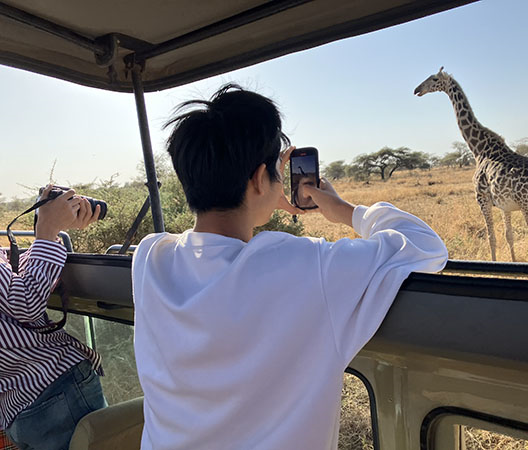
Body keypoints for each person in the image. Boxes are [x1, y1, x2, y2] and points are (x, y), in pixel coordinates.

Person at [132, 84, 448, 450]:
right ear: (258, 179)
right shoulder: (308, 268)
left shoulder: (150, 259)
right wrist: (343, 210)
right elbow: (425, 245)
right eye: (277, 171)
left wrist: (260, 197)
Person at [0, 186, 105, 450]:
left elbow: (9, 292)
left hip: (16, 407)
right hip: (51, 388)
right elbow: (24, 302)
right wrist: (47, 231)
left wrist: (47, 230)